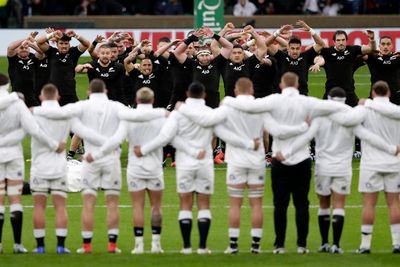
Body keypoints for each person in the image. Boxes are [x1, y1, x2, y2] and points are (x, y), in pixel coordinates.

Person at [222, 72, 348, 254]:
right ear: (297, 85)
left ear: (281, 85)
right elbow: (331, 106)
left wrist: (228, 101)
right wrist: (362, 105)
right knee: (302, 204)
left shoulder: (274, 100)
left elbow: (250, 106)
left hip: (280, 159)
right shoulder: (306, 101)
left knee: (280, 205)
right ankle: (301, 245)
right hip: (302, 159)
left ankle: (279, 245)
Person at [134, 82, 256, 254]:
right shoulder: (210, 113)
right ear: (205, 95)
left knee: (185, 204)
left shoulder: (178, 114)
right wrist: (248, 143)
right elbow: (224, 135)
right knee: (204, 205)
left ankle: (186, 247)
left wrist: (144, 149)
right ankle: (202, 247)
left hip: (184, 165)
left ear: (186, 94)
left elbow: (166, 137)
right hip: (204, 165)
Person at [275, 86, 400, 254]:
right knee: (340, 205)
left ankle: (325, 243)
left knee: (324, 204)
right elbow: (366, 135)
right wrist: (390, 148)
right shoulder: (351, 116)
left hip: (323, 167)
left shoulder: (320, 118)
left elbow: (306, 136)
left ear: (328, 98)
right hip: (343, 168)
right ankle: (337, 245)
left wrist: (287, 152)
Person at [32, 79, 127, 254]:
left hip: (90, 162)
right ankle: (112, 245)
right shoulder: (116, 106)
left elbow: (59, 113)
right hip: (111, 159)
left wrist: (33, 111)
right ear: (105, 91)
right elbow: (134, 118)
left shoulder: (82, 106)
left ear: (89, 92)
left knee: (88, 204)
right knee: (112, 204)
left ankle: (86, 246)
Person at [85, 87, 167, 254]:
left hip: (136, 168)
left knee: (137, 207)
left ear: (136, 100)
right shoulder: (160, 116)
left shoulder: (129, 119)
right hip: (155, 168)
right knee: (156, 207)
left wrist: (96, 154)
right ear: (152, 100)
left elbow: (116, 139)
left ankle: (138, 245)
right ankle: (156, 244)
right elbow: (165, 138)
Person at [0, 73, 65, 254]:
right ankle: (17, 244)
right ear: (8, 85)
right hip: (13, 154)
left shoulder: (17, 103)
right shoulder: (17, 103)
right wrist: (54, 145)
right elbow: (33, 130)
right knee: (15, 199)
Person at [353, 81, 400, 254]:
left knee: (368, 204)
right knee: (394, 203)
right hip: (394, 162)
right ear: (388, 93)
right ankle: (397, 243)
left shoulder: (366, 108)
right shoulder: (396, 110)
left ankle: (365, 245)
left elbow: (349, 122)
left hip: (371, 164)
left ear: (373, 93)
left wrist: (367, 103)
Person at [173, 27, 233, 108]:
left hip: (214, 101)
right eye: (202, 55)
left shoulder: (216, 63)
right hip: (196, 101)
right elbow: (177, 52)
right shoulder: (193, 64)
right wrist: (191, 38)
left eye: (207, 55)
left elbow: (229, 46)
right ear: (197, 56)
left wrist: (214, 35)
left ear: (210, 55)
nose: (205, 57)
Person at [267, 21, 326, 95]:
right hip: (283, 96)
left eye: (297, 48)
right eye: (293, 48)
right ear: (288, 48)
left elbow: (321, 44)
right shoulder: (281, 56)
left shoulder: (306, 56)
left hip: (301, 96)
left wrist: (310, 29)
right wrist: (278, 32)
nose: (295, 51)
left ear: (301, 48)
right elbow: (267, 44)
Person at [7, 33, 44, 107]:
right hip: (16, 98)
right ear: (17, 50)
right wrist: (26, 39)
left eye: (26, 48)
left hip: (32, 98)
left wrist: (30, 43)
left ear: (29, 49)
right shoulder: (13, 60)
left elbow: (41, 52)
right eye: (21, 48)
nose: (24, 49)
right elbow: (10, 48)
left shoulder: (34, 59)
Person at [365, 36, 400, 104]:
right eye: (383, 44)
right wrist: (371, 48)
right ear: (379, 46)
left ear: (392, 46)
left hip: (396, 97)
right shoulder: (373, 57)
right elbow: (358, 55)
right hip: (376, 96)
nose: (385, 46)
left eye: (388, 44)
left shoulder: (398, 57)